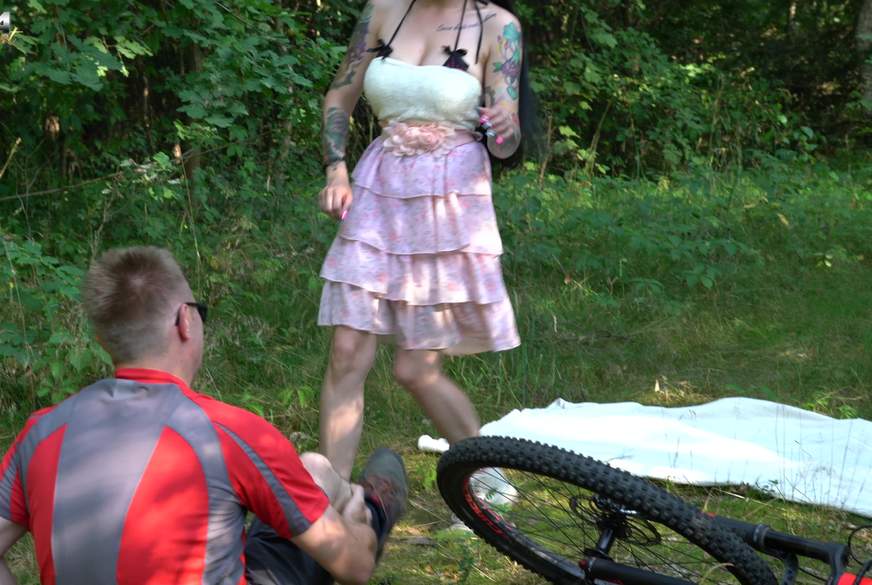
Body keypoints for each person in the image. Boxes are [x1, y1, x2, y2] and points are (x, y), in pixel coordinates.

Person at [0, 246, 407, 585]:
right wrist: (356, 521)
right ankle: (373, 504)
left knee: (305, 481)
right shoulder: (229, 432)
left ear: (102, 340)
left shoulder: (42, 432)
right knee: (317, 476)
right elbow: (355, 567)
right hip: (335, 529)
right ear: (185, 321)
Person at [318, 0, 532, 480]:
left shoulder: (498, 26)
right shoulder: (382, 10)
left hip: (447, 203)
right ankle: (330, 498)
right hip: (378, 191)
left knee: (415, 368)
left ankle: (486, 481)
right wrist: (336, 170)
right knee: (346, 353)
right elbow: (339, 96)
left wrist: (504, 128)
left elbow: (506, 140)